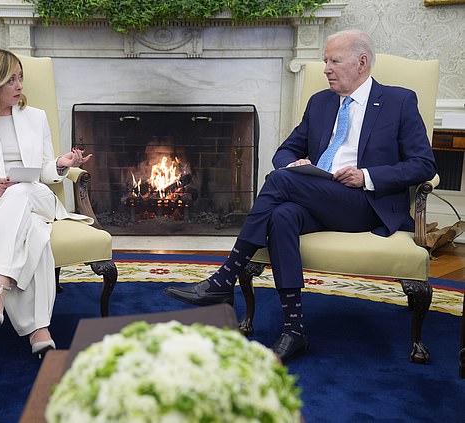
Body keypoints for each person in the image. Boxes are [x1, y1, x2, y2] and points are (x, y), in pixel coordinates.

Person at [165, 29, 437, 362]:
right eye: (325, 60)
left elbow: (423, 164)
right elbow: (286, 150)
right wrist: (294, 163)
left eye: (334, 60)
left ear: (362, 62)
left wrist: (366, 176)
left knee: (281, 182)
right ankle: (294, 331)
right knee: (282, 216)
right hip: (318, 194)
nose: (326, 68)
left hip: (364, 202)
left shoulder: (398, 101)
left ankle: (226, 276)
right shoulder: (321, 102)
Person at [0, 48, 93, 356]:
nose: (19, 86)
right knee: (35, 235)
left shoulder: (35, 117)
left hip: (33, 196)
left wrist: (60, 163)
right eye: (11, 79)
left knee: (21, 191)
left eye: (21, 78)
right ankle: (38, 329)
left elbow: (43, 170)